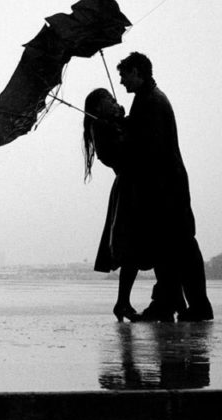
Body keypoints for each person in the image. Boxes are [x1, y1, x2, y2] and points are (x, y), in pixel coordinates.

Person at [117, 52, 213, 322]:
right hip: (166, 187)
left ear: (137, 72)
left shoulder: (151, 102)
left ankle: (189, 306)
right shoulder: (148, 99)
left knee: (178, 248)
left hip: (165, 190)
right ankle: (174, 304)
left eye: (125, 74)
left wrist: (123, 129)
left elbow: (149, 149)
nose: (122, 81)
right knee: (172, 248)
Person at [84, 88, 154, 322]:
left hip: (134, 186)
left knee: (134, 248)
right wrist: (122, 125)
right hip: (129, 189)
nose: (114, 102)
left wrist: (122, 121)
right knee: (130, 248)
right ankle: (122, 302)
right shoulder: (100, 127)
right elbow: (119, 155)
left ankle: (122, 302)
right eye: (109, 100)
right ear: (97, 107)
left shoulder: (110, 124)